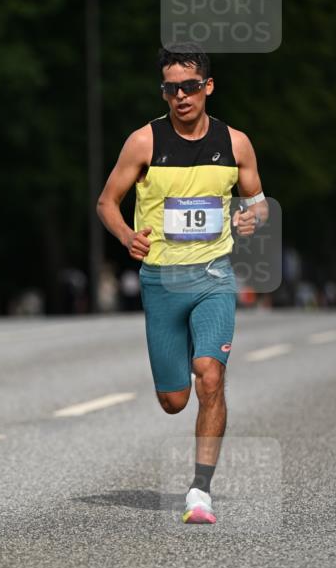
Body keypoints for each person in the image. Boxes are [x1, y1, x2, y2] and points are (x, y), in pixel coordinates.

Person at [97, 43, 268, 525]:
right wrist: (126, 235)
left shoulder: (235, 143)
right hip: (161, 280)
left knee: (209, 375)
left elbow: (257, 202)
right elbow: (107, 202)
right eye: (171, 89)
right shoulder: (143, 142)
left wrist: (252, 217)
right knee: (174, 401)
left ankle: (200, 490)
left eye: (190, 87)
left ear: (208, 87)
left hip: (214, 275)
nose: (181, 97)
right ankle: (187, 353)